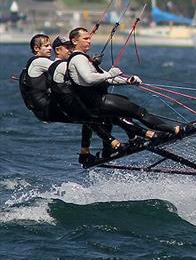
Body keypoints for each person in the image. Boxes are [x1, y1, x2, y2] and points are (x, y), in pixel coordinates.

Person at [66, 27, 184, 141]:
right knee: (140, 112)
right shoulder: (78, 59)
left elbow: (105, 79)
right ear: (75, 41)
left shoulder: (84, 58)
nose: (89, 41)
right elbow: (89, 79)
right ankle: (174, 130)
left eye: (89, 38)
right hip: (98, 102)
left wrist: (128, 81)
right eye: (85, 39)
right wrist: (110, 74)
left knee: (132, 112)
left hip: (97, 102)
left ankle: (150, 135)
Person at [47, 36, 121, 165]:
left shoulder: (67, 63)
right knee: (99, 115)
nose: (71, 50)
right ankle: (117, 143)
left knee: (96, 116)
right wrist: (93, 66)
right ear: (58, 50)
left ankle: (88, 152)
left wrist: (92, 65)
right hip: (69, 106)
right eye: (68, 47)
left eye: (72, 47)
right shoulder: (63, 65)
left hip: (76, 104)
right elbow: (92, 78)